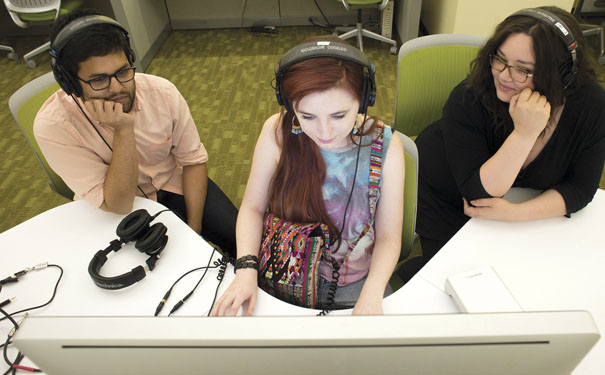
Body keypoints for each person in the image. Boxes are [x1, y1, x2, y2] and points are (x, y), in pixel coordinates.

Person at [211, 37, 405, 316]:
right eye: (308, 116)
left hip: (358, 286)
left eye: (339, 115)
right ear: (290, 106)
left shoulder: (385, 146)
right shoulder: (277, 132)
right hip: (283, 278)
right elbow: (252, 208)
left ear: (364, 101)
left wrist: (372, 294)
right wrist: (246, 270)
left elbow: (388, 236)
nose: (325, 132)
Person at [412, 6, 605, 273]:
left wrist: (514, 213)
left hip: (514, 207)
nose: (503, 75)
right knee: (461, 277)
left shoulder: (591, 105)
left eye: (523, 70)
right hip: (446, 196)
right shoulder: (468, 97)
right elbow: (478, 194)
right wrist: (524, 133)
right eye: (499, 59)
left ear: (562, 75)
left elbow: (581, 188)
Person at [34, 9, 238, 256]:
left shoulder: (162, 93)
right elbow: (118, 203)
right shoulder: (54, 126)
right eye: (99, 80)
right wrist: (123, 129)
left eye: (122, 71)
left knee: (243, 241)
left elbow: (193, 161)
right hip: (114, 207)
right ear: (70, 82)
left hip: (174, 184)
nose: (118, 88)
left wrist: (194, 231)